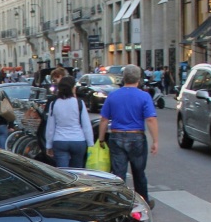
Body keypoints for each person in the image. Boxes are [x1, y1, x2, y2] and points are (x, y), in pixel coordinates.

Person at [97, 64, 159, 206]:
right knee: (139, 173)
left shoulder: (113, 95)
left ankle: (118, 202)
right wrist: (155, 140)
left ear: (123, 78)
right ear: (139, 79)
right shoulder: (144, 96)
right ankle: (143, 202)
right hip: (137, 137)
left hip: (117, 136)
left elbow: (104, 119)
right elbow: (150, 119)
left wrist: (101, 138)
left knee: (119, 174)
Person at [44, 76, 94, 168]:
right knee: (77, 170)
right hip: (78, 140)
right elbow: (86, 125)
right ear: (72, 88)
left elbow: (50, 127)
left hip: (60, 140)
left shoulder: (54, 104)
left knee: (63, 171)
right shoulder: (79, 103)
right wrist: (90, 143)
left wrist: (49, 145)